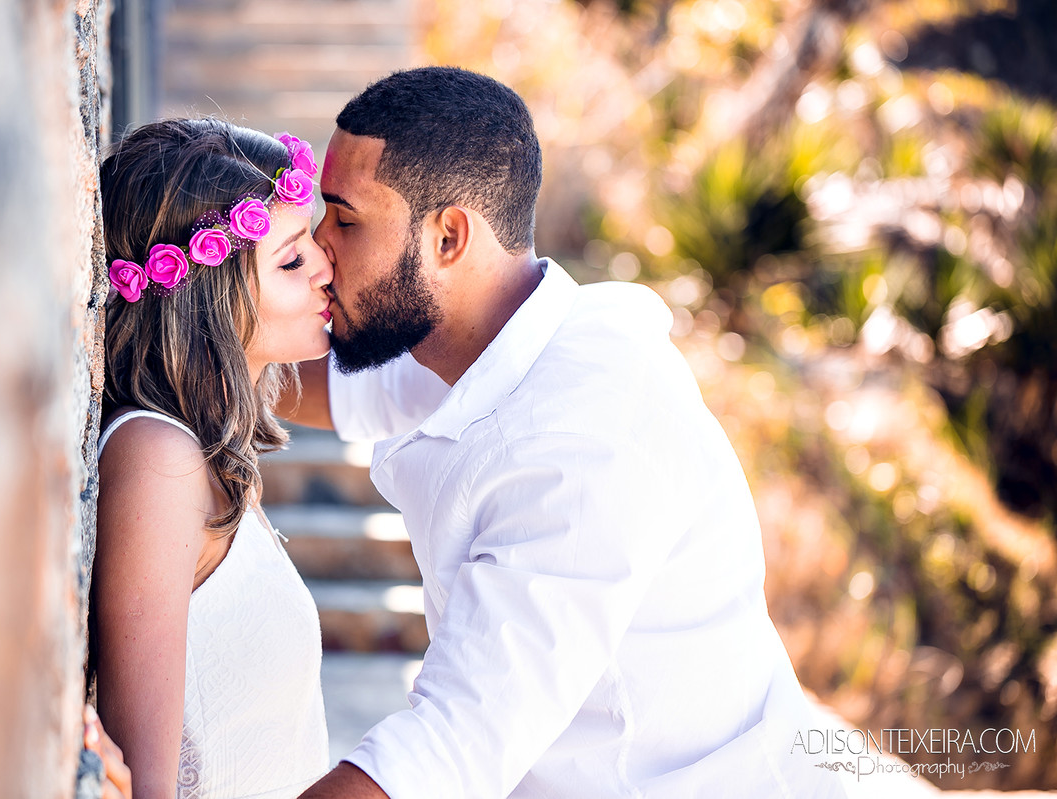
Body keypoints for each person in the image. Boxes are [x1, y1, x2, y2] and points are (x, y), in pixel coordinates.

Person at [286, 67, 845, 798]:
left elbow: (445, 751)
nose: (320, 248)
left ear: (449, 236)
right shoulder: (499, 333)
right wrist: (189, 335)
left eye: (345, 219)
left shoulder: (582, 447)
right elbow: (330, 385)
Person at [92, 117, 334, 799]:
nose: (325, 267)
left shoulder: (206, 452)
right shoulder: (158, 459)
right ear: (209, 299)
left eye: (312, 240)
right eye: (291, 260)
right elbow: (144, 780)